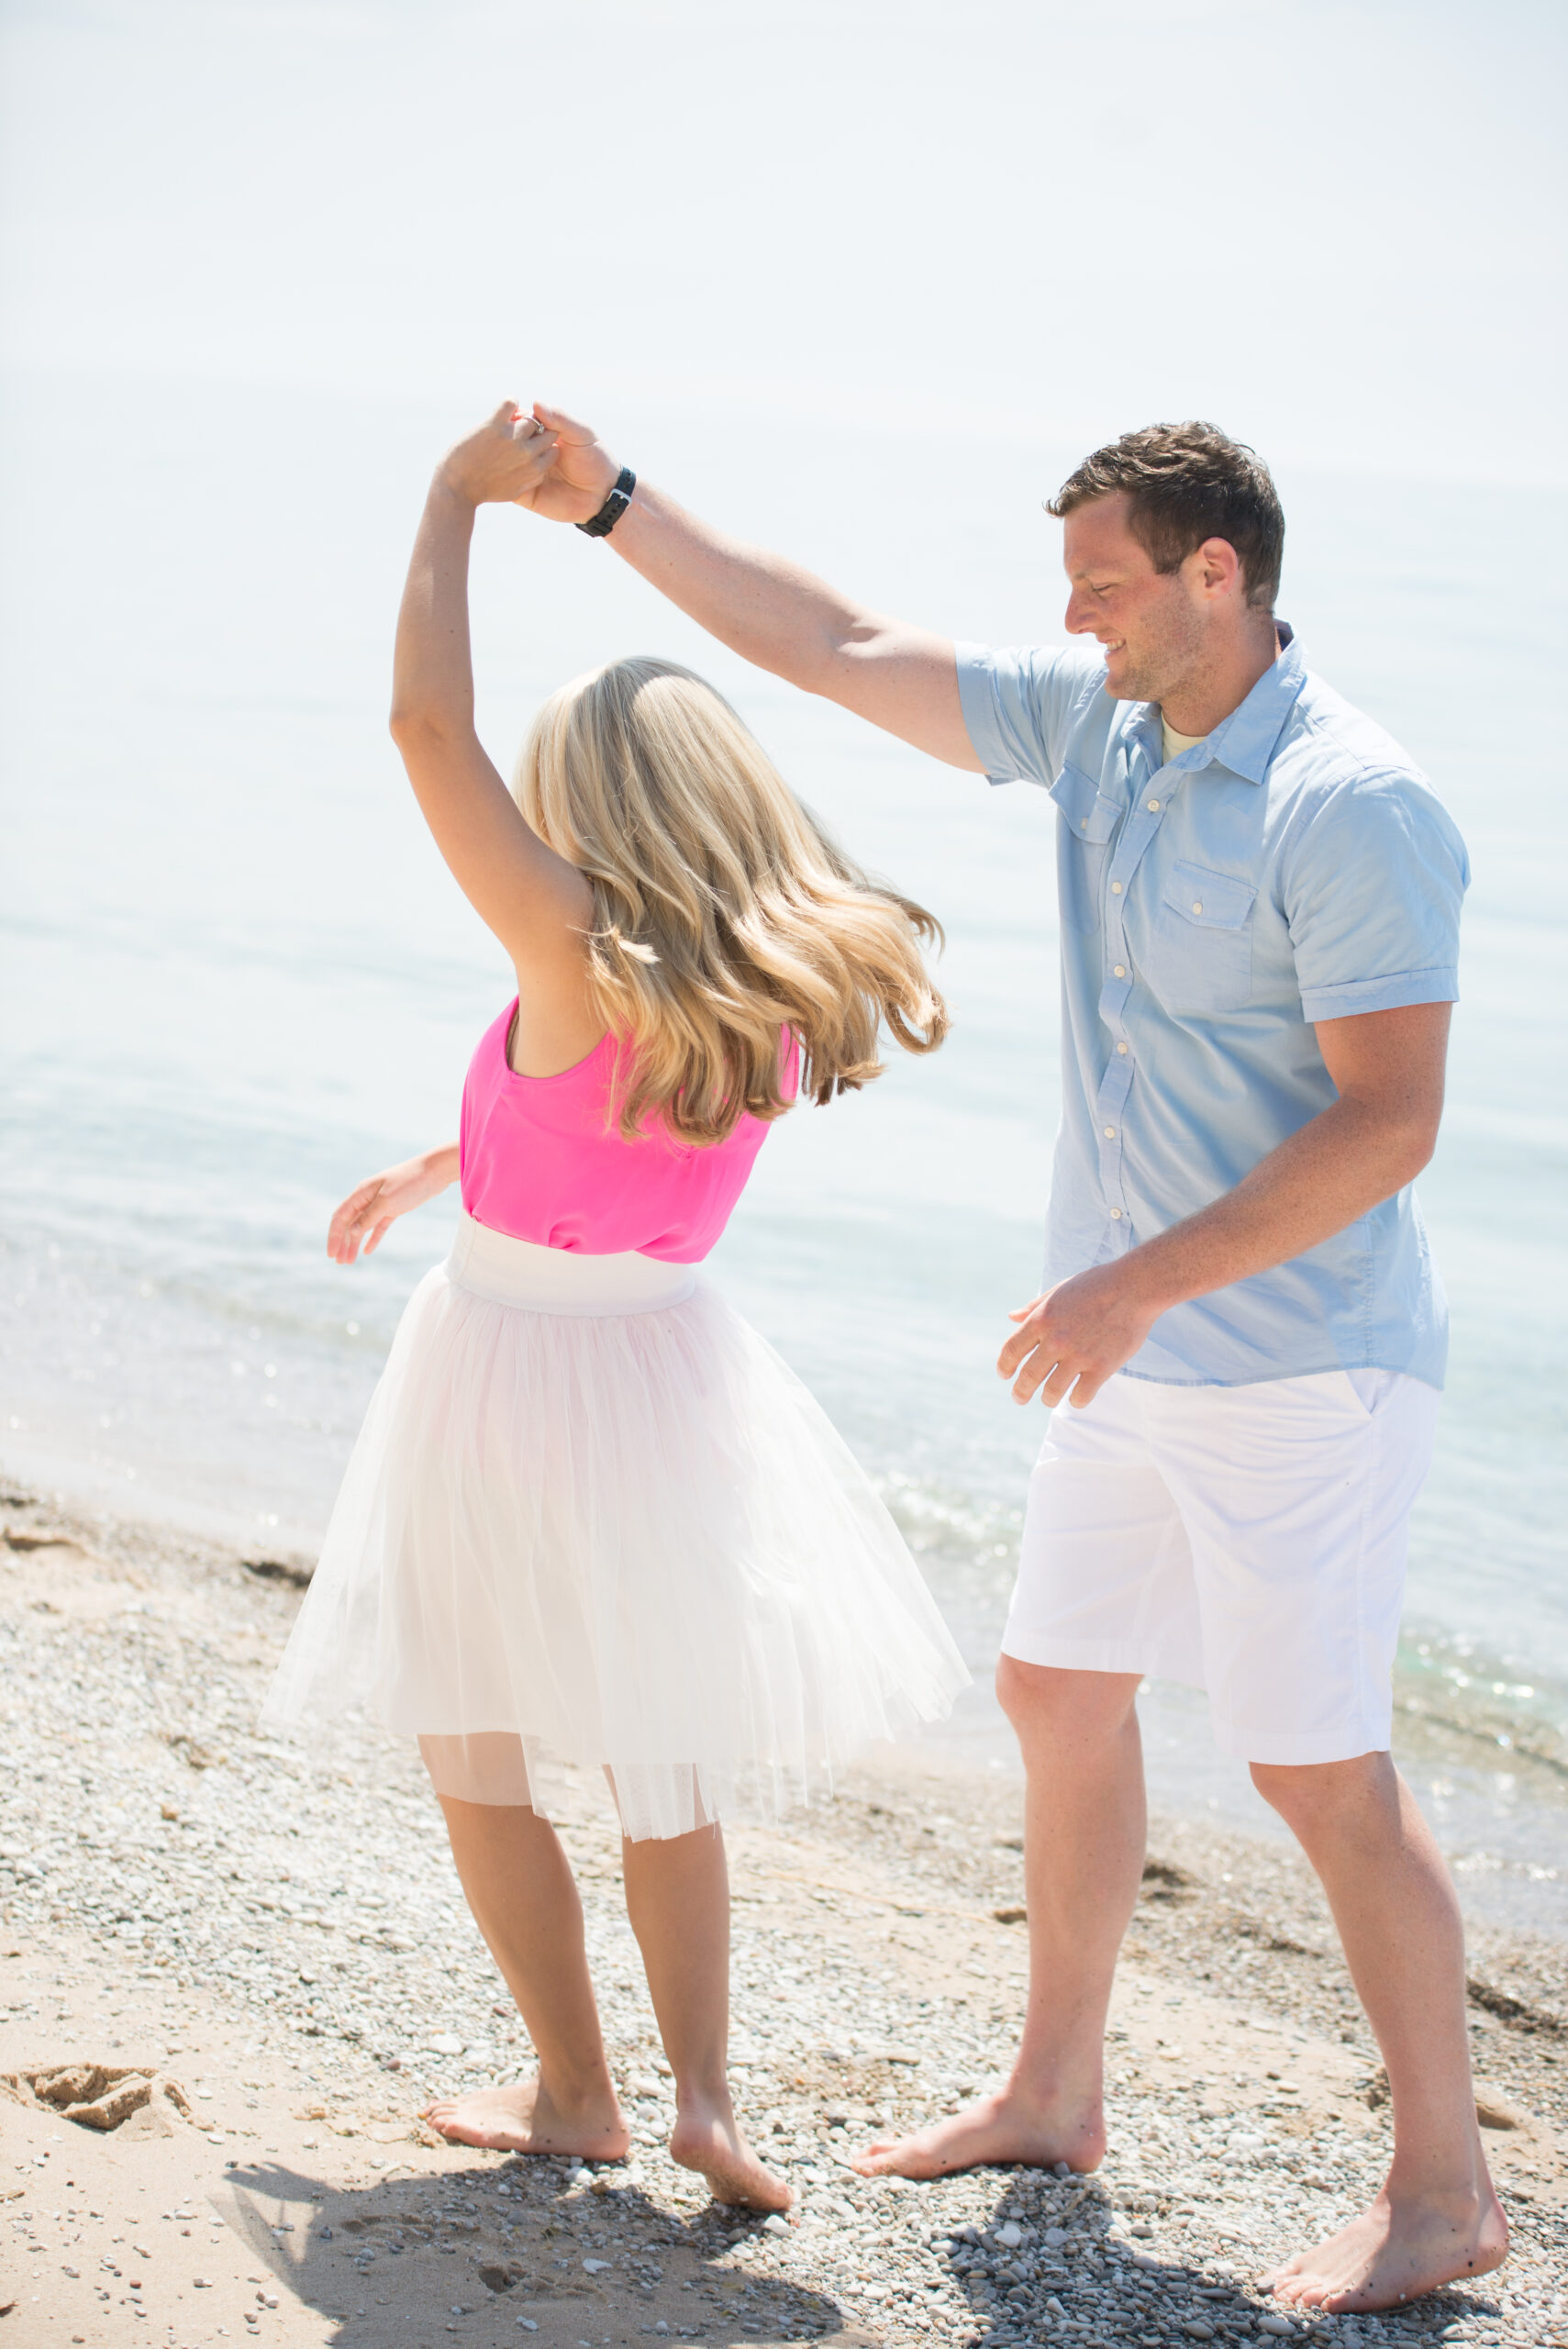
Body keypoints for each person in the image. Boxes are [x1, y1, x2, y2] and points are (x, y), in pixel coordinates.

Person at [498, 406, 1506, 2312]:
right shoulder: (1108, 727)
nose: (1077, 617)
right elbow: (832, 642)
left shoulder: (1348, 804)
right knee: (1057, 1683)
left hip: (1297, 1364)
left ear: (1222, 575)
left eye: (1107, 585)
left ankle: (1444, 2186)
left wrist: (1133, 1288)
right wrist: (613, 504)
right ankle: (1057, 2084)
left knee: (1319, 1768)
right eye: (1073, 588)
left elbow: (1390, 1121)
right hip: (1124, 1350)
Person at [260, 405, 968, 2212]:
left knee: (475, 1741)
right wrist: (447, 1158)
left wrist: (445, 505)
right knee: (664, 1752)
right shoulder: (765, 999)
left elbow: (423, 725)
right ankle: (708, 2099)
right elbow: (602, 1150)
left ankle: (576, 2085)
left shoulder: (563, 946)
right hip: (664, 1375)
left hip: (499, 1376)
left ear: (589, 816)